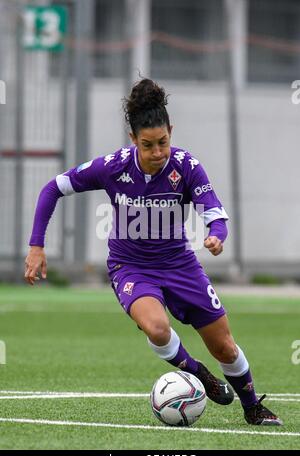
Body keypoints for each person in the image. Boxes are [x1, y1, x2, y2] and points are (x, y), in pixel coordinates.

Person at [25, 78, 282, 426]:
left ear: (171, 132)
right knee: (157, 328)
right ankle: (200, 375)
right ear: (133, 139)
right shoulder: (113, 167)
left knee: (225, 347)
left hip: (181, 266)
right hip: (130, 267)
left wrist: (216, 235)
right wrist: (37, 245)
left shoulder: (186, 167)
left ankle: (252, 406)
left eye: (163, 142)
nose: (158, 152)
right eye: (148, 145)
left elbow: (213, 210)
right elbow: (51, 189)